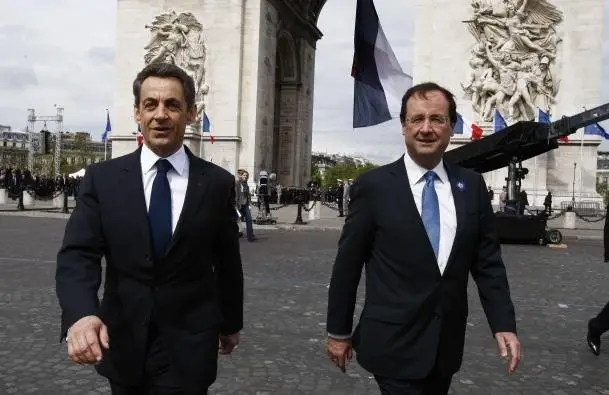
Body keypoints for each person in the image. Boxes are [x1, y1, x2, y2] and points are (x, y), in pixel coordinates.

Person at [55, 62, 244, 395]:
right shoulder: (103, 179)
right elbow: (79, 253)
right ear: (136, 113)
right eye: (150, 105)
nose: (160, 114)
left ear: (191, 113)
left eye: (172, 105)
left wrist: (230, 323)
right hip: (123, 337)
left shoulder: (217, 183)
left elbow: (227, 261)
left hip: (190, 345)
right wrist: (81, 314)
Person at [326, 82, 521, 395]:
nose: (426, 129)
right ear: (404, 127)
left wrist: (503, 323)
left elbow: (487, 263)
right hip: (392, 342)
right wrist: (338, 331)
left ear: (451, 126)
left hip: (445, 345)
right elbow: (347, 266)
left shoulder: (471, 186)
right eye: (417, 119)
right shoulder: (373, 187)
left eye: (437, 119)